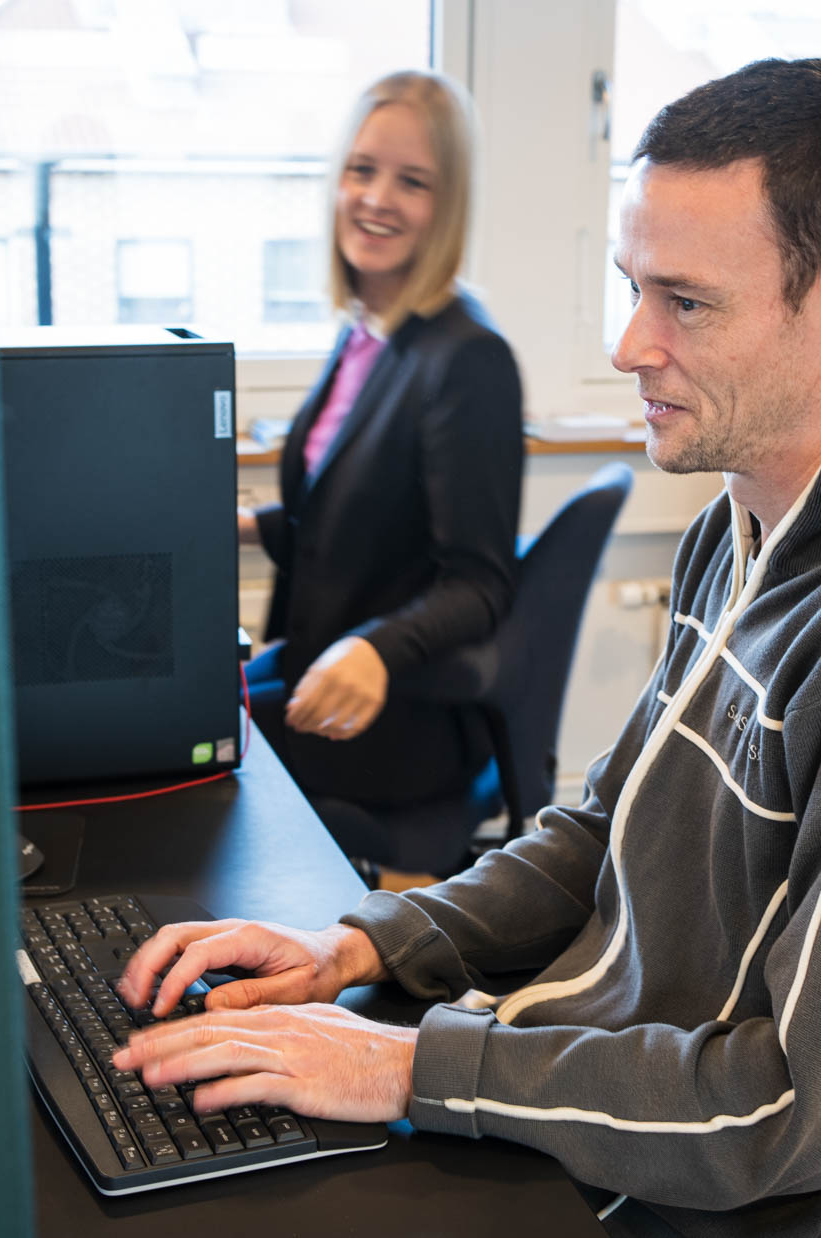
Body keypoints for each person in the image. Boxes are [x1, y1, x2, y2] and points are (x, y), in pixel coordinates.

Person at [114, 58, 821, 1237]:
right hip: (585, 1096)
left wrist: (408, 1064)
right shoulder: (744, 521)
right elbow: (603, 832)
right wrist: (358, 943)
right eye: (633, 289)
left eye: (686, 302)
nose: (631, 344)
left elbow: (798, 1106)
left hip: (696, 1202)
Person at [241, 70, 524, 849]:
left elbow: (480, 583)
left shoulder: (467, 358)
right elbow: (366, 520)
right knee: (179, 713)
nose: (377, 199)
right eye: (362, 170)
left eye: (413, 182)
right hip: (320, 665)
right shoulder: (369, 329)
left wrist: (373, 648)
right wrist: (250, 526)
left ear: (448, 204)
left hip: (395, 713)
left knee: (181, 750)